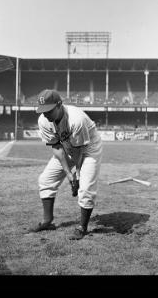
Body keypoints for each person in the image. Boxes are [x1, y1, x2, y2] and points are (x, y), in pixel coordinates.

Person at [30, 89, 103, 240]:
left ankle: (82, 227)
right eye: (42, 111)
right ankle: (47, 221)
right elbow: (57, 148)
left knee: (85, 187)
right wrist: (69, 174)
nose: (45, 114)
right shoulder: (43, 121)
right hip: (65, 146)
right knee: (45, 180)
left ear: (59, 105)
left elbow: (79, 151)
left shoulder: (76, 119)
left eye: (49, 110)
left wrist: (76, 174)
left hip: (88, 148)